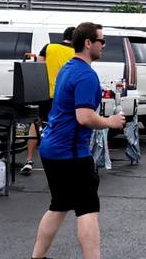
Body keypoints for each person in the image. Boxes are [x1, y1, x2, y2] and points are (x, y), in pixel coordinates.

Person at [31, 22, 125, 259]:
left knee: (59, 204)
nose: (104, 45)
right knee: (88, 210)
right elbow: (84, 117)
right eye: (101, 41)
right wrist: (111, 122)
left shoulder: (67, 68)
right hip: (69, 153)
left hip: (52, 147)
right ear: (88, 43)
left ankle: (37, 257)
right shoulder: (85, 75)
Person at [21, 26, 75, 175]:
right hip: (63, 96)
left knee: (35, 122)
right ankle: (60, 162)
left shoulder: (49, 47)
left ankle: (29, 160)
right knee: (61, 126)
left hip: (44, 93)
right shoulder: (76, 53)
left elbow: (38, 66)